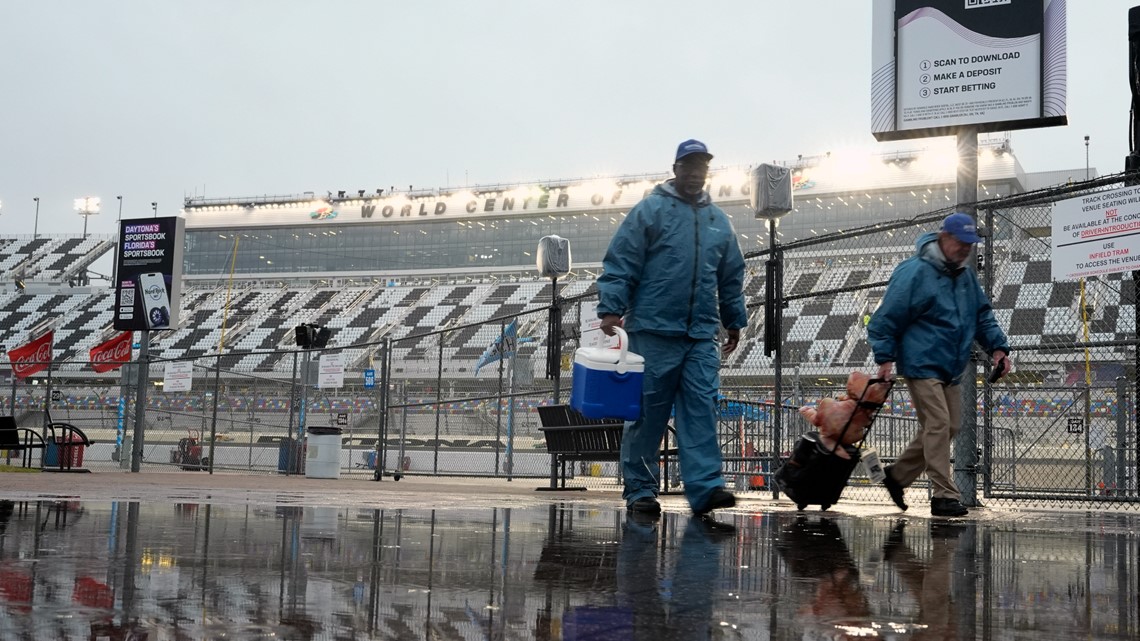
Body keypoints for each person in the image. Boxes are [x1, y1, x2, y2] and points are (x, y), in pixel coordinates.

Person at [596, 138, 747, 517]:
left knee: (701, 408)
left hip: (699, 335)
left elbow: (731, 275)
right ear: (676, 169)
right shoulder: (650, 211)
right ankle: (641, 491)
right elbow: (622, 260)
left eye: (702, 168)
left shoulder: (718, 221)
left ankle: (707, 488)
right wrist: (612, 309)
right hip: (652, 331)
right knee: (648, 415)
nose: (695, 174)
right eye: (689, 167)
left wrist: (734, 319)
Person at [868, 212, 1009, 517]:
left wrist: (998, 349)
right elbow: (885, 318)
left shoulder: (965, 276)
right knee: (939, 424)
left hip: (951, 365)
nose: (966, 249)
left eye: (971, 244)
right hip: (921, 362)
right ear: (944, 237)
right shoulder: (914, 272)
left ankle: (897, 477)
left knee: (951, 425)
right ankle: (944, 496)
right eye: (962, 242)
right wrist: (885, 358)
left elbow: (982, 315)